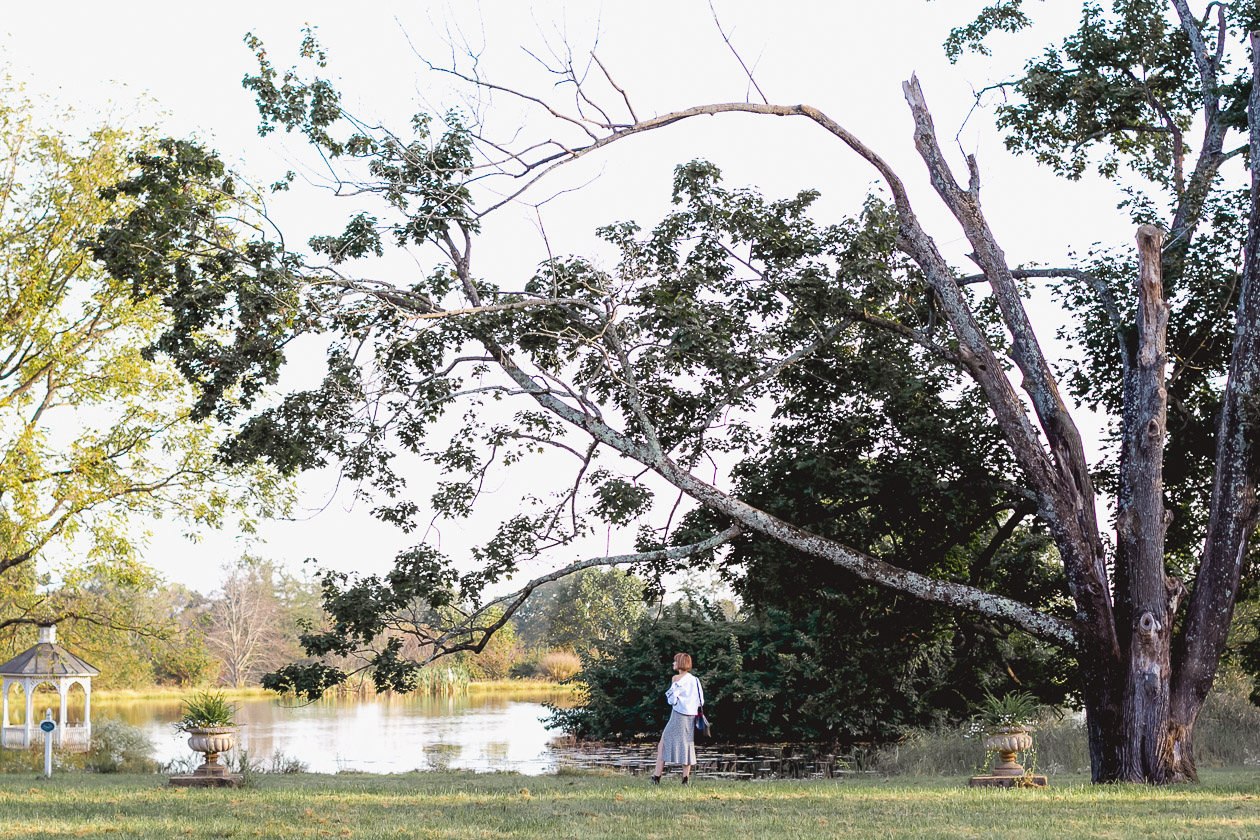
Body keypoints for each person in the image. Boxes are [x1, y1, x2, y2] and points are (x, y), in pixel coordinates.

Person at [651, 652, 703, 785]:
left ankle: (656, 778)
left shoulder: (677, 679)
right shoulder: (695, 680)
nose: (673, 664)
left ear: (680, 663)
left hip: (678, 715)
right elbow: (701, 701)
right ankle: (685, 779)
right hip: (691, 716)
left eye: (675, 661)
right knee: (686, 745)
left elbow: (671, 700)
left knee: (662, 745)